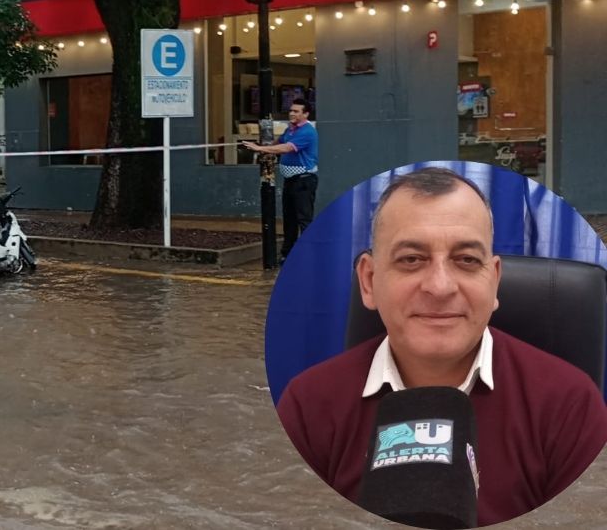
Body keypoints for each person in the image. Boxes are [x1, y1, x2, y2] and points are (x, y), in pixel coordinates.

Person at [276, 167, 607, 526]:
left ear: (494, 281)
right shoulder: (309, 404)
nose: (440, 286)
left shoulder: (570, 405)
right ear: (369, 282)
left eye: (466, 260)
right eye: (411, 259)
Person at [242, 98, 318, 262]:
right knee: (289, 218)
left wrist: (261, 149)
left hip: (304, 180)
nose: (292, 113)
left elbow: (286, 148)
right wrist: (263, 146)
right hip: (291, 180)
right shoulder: (290, 129)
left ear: (305, 114)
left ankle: (309, 256)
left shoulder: (307, 132)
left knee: (304, 218)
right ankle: (288, 254)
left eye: (296, 111)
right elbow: (280, 142)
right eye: (291, 110)